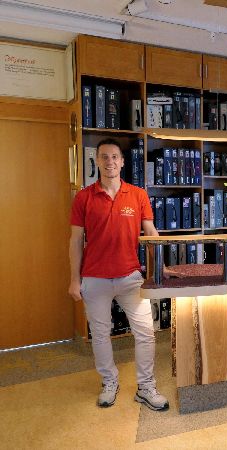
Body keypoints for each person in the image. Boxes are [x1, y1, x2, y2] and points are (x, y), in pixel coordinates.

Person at [68, 138, 169, 411]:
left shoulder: (138, 195)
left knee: (146, 333)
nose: (109, 161)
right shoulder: (83, 197)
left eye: (114, 156)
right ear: (97, 161)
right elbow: (75, 240)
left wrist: (159, 267)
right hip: (94, 278)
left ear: (122, 162)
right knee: (101, 334)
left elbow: (151, 233)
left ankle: (146, 387)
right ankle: (109, 382)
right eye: (104, 156)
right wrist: (74, 279)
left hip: (130, 277)